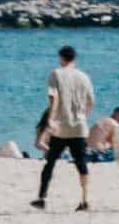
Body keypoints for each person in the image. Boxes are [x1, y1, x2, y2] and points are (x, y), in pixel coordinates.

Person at [31, 45, 94, 211]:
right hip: (80, 126)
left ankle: (41, 198)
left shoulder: (56, 74)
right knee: (81, 165)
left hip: (61, 127)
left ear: (61, 58)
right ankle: (84, 199)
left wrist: (50, 120)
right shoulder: (84, 77)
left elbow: (54, 99)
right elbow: (91, 102)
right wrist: (84, 118)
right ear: (74, 58)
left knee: (50, 162)